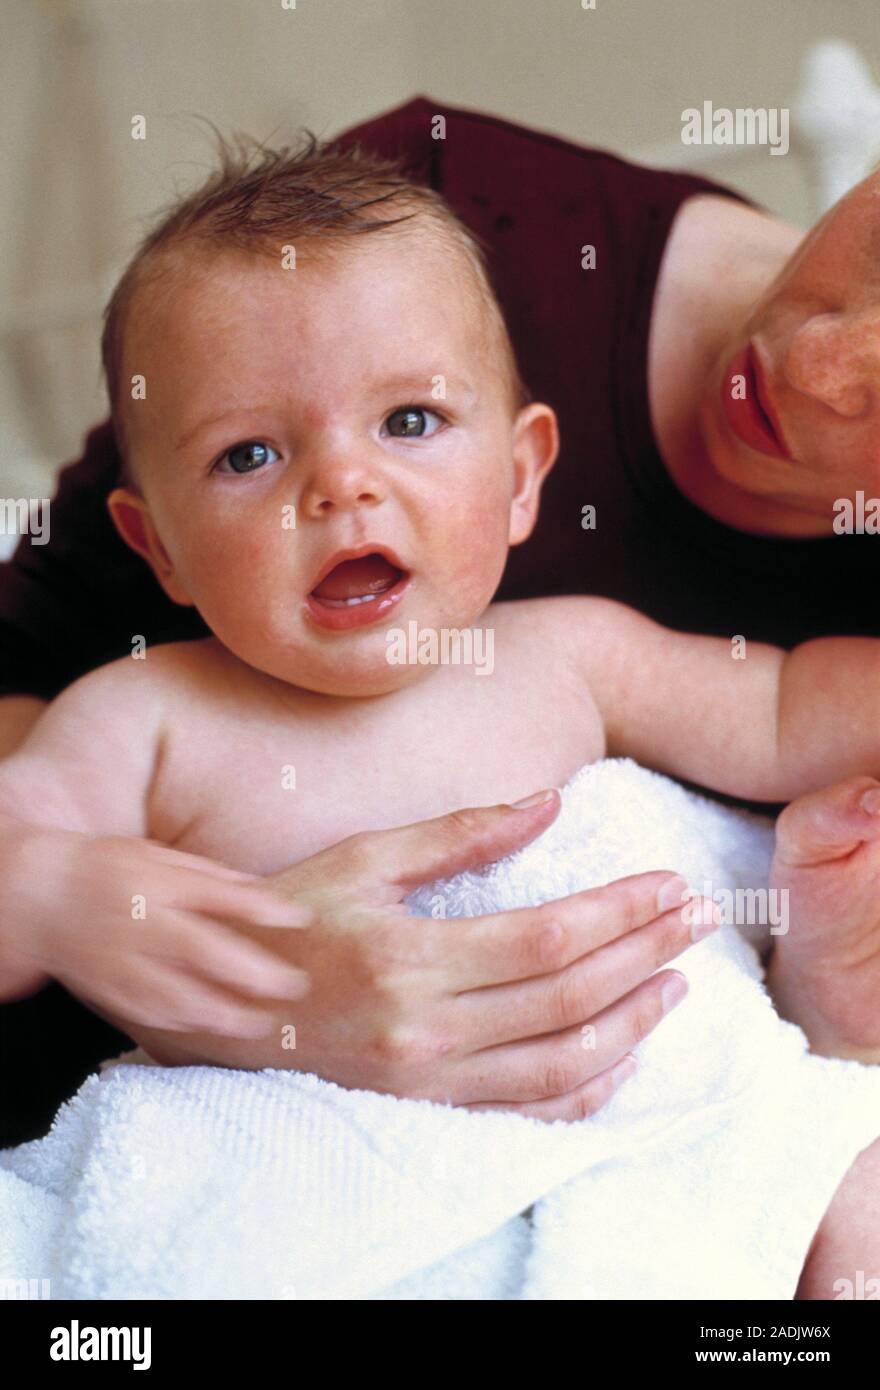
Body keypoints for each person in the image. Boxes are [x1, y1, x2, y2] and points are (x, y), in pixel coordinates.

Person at [2, 131, 879, 1298]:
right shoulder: (139, 717)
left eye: (408, 422)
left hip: (633, 1133)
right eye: (249, 454)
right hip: (316, 1177)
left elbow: (784, 708)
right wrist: (59, 900)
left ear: (522, 478)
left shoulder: (569, 653)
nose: (340, 484)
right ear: (154, 543)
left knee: (851, 1186)